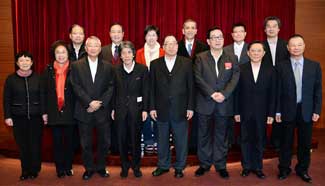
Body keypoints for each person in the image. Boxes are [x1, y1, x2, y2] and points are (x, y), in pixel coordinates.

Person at [194, 26, 239, 179]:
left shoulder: (232, 57)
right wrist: (212, 93)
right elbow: (198, 78)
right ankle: (204, 164)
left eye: (220, 37)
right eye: (214, 37)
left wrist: (224, 94)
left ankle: (220, 164)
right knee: (203, 135)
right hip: (205, 102)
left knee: (222, 135)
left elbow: (235, 77)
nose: (218, 40)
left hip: (224, 103)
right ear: (208, 41)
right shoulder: (200, 57)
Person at [275, 34, 322, 183]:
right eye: (293, 45)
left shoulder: (314, 66)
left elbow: (318, 90)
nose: (296, 48)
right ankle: (284, 168)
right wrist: (277, 110)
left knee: (305, 143)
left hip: (306, 110)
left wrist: (317, 110)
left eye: (299, 45)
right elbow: (277, 91)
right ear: (288, 48)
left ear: (304, 46)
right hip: (287, 109)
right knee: (286, 142)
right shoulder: (281, 66)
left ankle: (302, 169)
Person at [70, 36, 114, 180]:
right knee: (86, 143)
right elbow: (75, 86)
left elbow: (111, 86)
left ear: (100, 48)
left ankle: (101, 167)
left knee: (105, 142)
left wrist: (99, 103)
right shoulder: (76, 65)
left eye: (96, 45)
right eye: (91, 45)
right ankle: (88, 168)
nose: (93, 48)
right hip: (84, 110)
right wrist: (89, 102)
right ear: (86, 48)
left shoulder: (108, 66)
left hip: (102, 110)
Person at [150, 36, 194, 178]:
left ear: (177, 46)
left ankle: (180, 166)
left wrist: (190, 107)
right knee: (162, 139)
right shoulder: (155, 64)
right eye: (167, 44)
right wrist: (152, 107)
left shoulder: (186, 63)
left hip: (180, 108)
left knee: (181, 140)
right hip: (160, 109)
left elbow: (191, 87)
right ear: (163, 46)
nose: (171, 47)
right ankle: (163, 165)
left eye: (173, 44)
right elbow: (151, 88)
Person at [234, 41, 276, 179]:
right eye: (253, 51)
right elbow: (237, 93)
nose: (256, 53)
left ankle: (258, 167)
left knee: (259, 139)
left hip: (262, 112)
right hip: (244, 112)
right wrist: (236, 112)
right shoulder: (241, 68)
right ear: (248, 53)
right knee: (245, 139)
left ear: (264, 53)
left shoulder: (270, 69)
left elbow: (273, 94)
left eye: (259, 51)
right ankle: (246, 167)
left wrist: (271, 113)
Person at [3, 51, 44, 180]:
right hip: (18, 118)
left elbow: (43, 97)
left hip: (36, 117)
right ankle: (25, 170)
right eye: (21, 60)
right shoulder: (11, 79)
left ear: (31, 62)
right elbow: (6, 99)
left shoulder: (38, 78)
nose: (24, 63)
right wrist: (7, 116)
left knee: (35, 144)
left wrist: (44, 113)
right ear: (17, 63)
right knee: (23, 145)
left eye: (27, 60)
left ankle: (34, 169)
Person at [111, 41, 149, 178]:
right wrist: (113, 109)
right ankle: (124, 166)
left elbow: (146, 91)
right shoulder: (115, 70)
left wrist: (145, 109)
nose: (126, 55)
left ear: (133, 54)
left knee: (135, 140)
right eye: (123, 53)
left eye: (129, 52)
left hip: (136, 110)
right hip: (120, 110)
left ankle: (136, 166)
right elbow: (113, 91)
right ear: (120, 56)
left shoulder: (142, 69)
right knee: (121, 140)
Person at [41, 40, 76, 178]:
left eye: (63, 52)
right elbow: (43, 93)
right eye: (58, 52)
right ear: (53, 54)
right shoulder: (48, 70)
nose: (61, 55)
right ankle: (59, 169)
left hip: (70, 112)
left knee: (69, 142)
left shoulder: (74, 69)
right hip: (53, 112)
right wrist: (44, 112)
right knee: (56, 142)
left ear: (68, 54)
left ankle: (68, 167)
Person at [177, 19, 209, 154]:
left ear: (196, 31)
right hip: (180, 89)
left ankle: (195, 146)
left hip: (199, 89)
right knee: (181, 118)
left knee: (198, 119)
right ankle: (181, 146)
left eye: (192, 28)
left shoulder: (204, 47)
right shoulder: (176, 46)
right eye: (187, 28)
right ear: (183, 31)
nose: (190, 30)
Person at [135, 25, 164, 153]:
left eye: (154, 35)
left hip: (160, 89)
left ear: (157, 37)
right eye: (148, 35)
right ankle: (148, 141)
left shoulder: (163, 52)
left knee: (158, 113)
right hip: (143, 88)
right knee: (145, 113)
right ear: (145, 37)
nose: (151, 37)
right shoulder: (138, 52)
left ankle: (158, 140)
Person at [263, 16, 290, 150]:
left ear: (279, 29)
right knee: (263, 111)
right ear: (265, 29)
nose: (271, 28)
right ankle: (262, 141)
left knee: (280, 111)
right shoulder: (259, 46)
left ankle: (277, 141)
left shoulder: (286, 46)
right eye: (269, 26)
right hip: (264, 84)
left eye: (274, 26)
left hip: (282, 84)